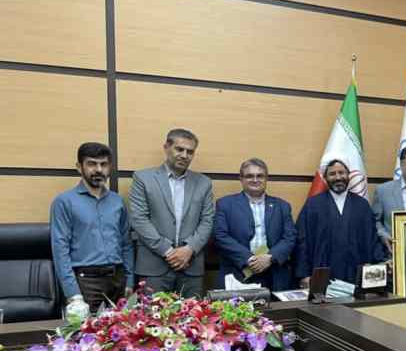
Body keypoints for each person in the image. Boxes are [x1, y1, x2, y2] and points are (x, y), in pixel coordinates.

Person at [128, 128, 214, 298]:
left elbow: (207, 220)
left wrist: (189, 249)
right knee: (151, 315)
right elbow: (139, 219)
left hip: (191, 265)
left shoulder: (204, 183)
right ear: (166, 148)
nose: (184, 155)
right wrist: (169, 252)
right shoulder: (143, 178)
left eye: (190, 151)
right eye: (179, 149)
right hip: (153, 267)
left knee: (195, 314)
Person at [49, 142, 134, 311]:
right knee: (86, 329)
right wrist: (72, 293)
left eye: (103, 164)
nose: (98, 169)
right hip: (85, 283)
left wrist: (129, 280)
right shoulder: (64, 202)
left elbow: (126, 244)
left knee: (123, 327)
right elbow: (60, 250)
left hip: (118, 281)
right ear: (79, 167)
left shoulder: (117, 202)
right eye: (91, 164)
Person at [296, 159, 386, 286]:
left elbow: (372, 239)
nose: (338, 177)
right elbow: (302, 241)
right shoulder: (313, 205)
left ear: (348, 175)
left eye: (341, 173)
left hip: (356, 276)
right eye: (332, 174)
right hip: (321, 277)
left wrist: (377, 264)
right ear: (325, 178)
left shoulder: (362, 205)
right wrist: (304, 274)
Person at [213, 158, 296, 291]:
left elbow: (290, 237)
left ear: (266, 178)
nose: (255, 180)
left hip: (274, 273)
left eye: (260, 176)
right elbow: (220, 236)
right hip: (239, 271)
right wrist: (249, 259)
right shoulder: (225, 204)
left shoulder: (282, 206)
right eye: (249, 176)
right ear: (241, 179)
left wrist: (270, 258)